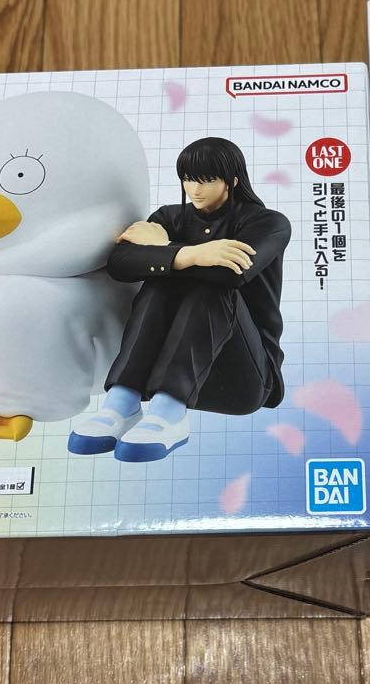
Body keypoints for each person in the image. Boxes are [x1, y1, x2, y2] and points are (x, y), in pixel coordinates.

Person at [69, 137, 290, 462]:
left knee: (207, 284)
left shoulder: (267, 223)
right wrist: (192, 254)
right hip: (157, 377)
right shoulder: (171, 217)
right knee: (162, 281)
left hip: (240, 377)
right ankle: (122, 402)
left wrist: (165, 248)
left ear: (232, 180)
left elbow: (230, 276)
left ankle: (169, 414)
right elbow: (120, 264)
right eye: (188, 179)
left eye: (206, 180)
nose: (194, 189)